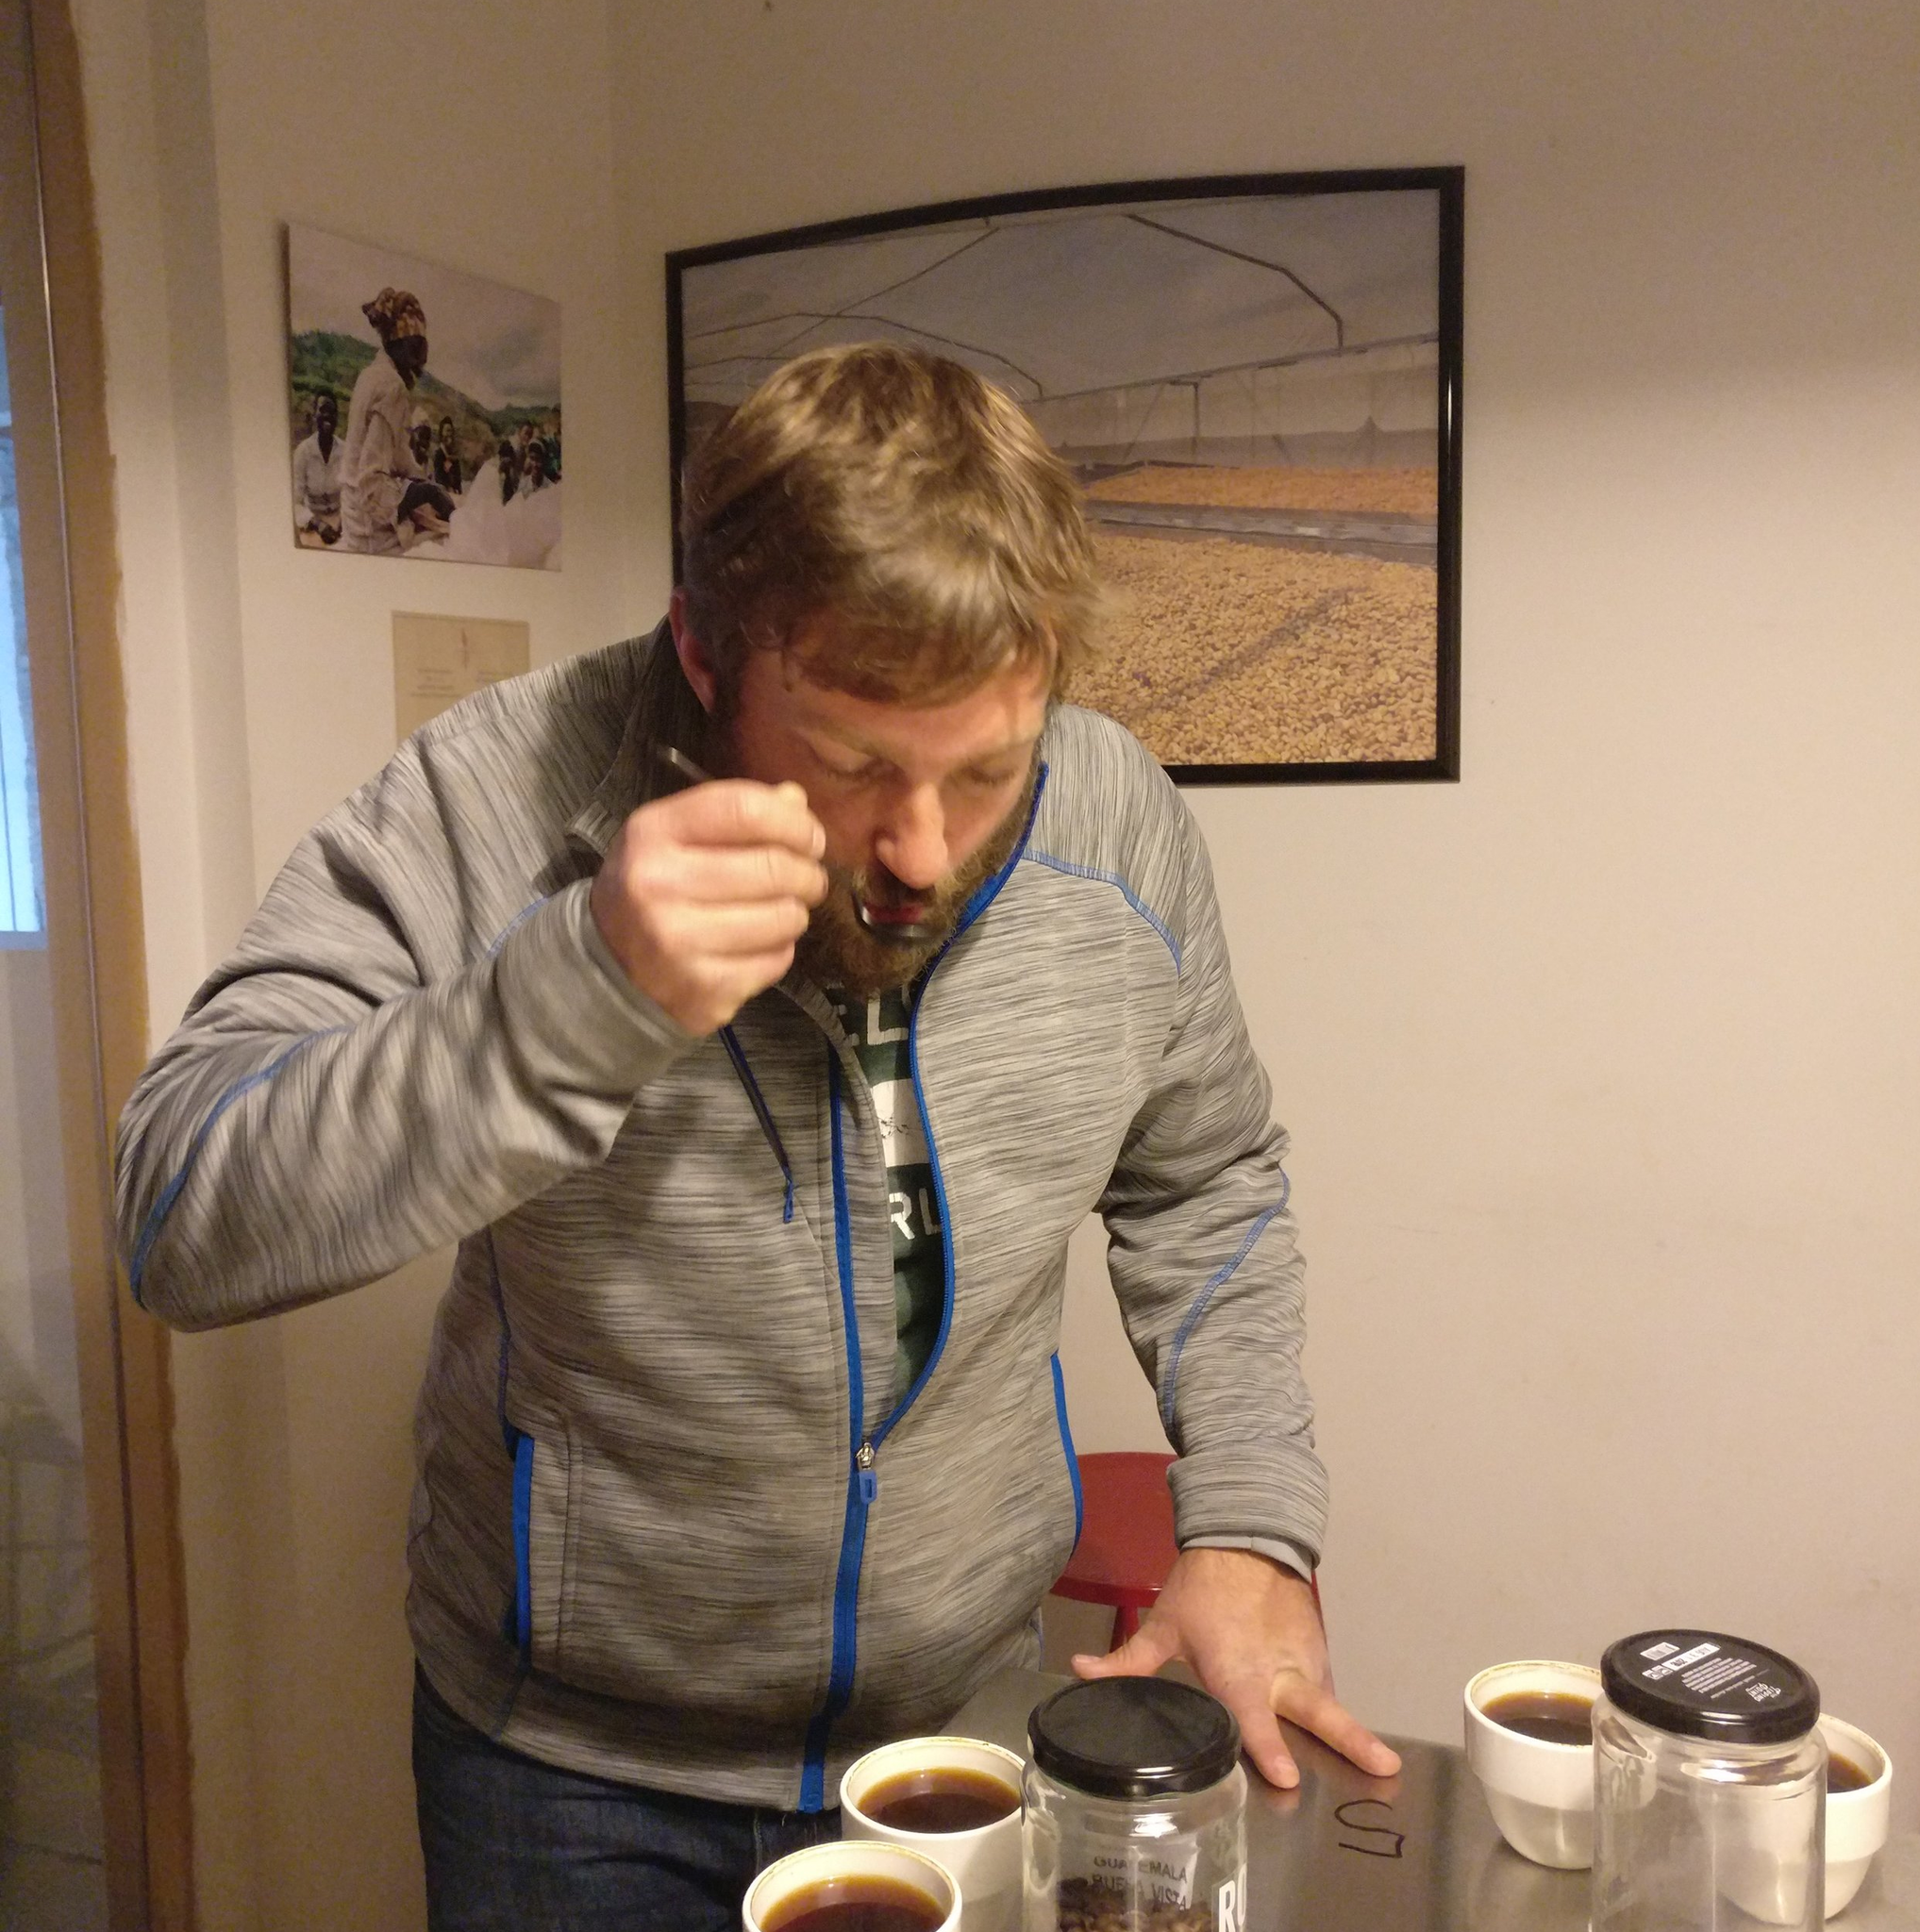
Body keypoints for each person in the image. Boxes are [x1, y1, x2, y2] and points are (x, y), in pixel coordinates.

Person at [115, 343, 1395, 1930]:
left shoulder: (1119, 818)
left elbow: (1204, 1180)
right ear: (705, 660)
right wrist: (565, 1001)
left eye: (988, 769)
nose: (920, 852)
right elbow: (177, 1205)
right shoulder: (498, 792)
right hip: (567, 1771)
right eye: (858, 764)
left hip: (961, 1738)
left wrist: (1254, 1525)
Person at [340, 286, 454, 551]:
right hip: (370, 529)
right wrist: (428, 493)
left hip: (354, 516)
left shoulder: (371, 375)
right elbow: (371, 482)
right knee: (447, 546)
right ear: (396, 344)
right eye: (414, 350)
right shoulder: (392, 387)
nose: (420, 364)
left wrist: (425, 483)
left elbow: (397, 456)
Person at [291, 392, 344, 545]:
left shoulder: (346, 451)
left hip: (342, 521)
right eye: (322, 410)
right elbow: (295, 502)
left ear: (337, 418)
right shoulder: (303, 452)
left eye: (332, 412)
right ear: (314, 415)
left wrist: (342, 521)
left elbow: (352, 493)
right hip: (313, 522)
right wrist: (318, 524)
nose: (327, 416)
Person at [433, 415, 464, 495]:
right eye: (446, 431)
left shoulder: (454, 456)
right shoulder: (439, 454)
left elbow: (458, 477)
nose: (449, 434)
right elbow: (438, 477)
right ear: (441, 433)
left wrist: (457, 489)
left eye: (450, 431)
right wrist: (448, 488)